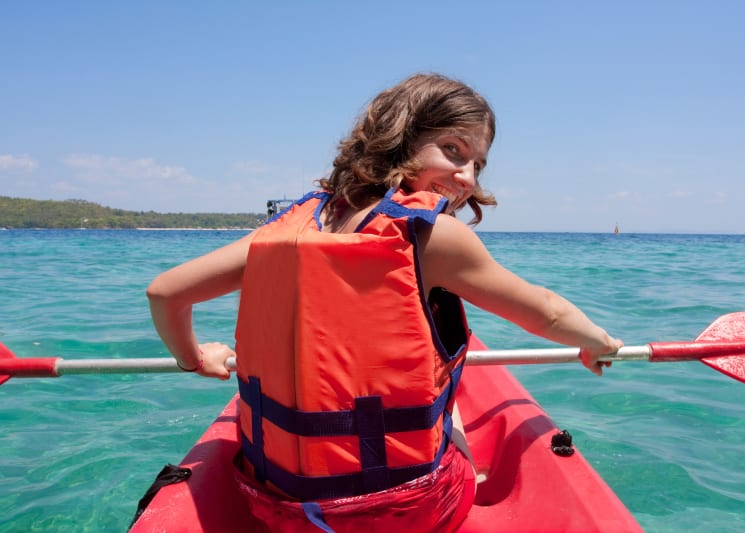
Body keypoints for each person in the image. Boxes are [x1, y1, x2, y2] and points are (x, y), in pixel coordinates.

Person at [147, 73, 623, 533]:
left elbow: (166, 292)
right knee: (444, 392)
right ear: (399, 137)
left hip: (279, 510)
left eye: (478, 164)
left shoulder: (286, 229)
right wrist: (595, 341)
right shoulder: (435, 235)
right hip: (407, 514)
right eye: (453, 150)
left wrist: (193, 359)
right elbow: (545, 311)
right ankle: (456, 476)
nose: (467, 176)